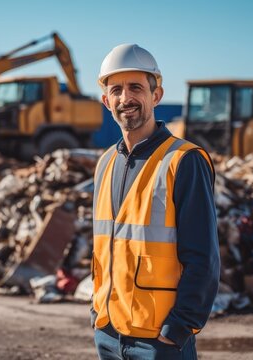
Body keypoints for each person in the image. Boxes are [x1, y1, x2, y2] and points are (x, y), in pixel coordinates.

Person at [91, 43, 220, 359]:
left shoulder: (184, 160)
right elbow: (103, 247)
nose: (126, 98)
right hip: (108, 334)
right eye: (116, 90)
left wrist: (179, 329)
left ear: (156, 95)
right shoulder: (105, 162)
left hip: (159, 341)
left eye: (136, 87)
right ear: (106, 100)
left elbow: (204, 258)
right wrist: (96, 312)